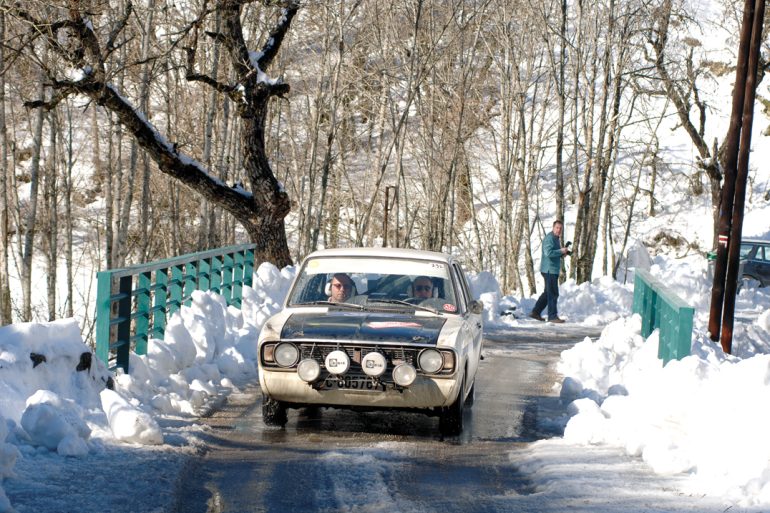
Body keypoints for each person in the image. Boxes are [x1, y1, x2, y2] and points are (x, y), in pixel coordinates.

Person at [530, 220, 569, 323]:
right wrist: (560, 251)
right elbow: (548, 253)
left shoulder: (556, 239)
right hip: (549, 270)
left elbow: (553, 253)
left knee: (548, 293)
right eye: (557, 228)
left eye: (560, 228)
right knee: (553, 293)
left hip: (552, 270)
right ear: (553, 228)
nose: (559, 230)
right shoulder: (549, 238)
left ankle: (535, 312)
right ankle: (552, 316)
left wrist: (562, 254)